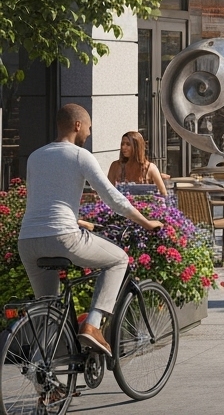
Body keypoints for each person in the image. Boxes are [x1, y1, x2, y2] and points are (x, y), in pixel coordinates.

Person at [20, 105, 165, 356]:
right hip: (63, 236)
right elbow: (112, 197)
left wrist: (77, 220)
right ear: (77, 125)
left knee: (49, 311)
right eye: (88, 127)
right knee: (119, 259)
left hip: (28, 240)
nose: (89, 132)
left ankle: (44, 383)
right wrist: (147, 222)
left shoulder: (35, 156)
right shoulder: (79, 155)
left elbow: (40, 201)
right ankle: (93, 325)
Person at [107, 131, 168, 195]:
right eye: (122, 144)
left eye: (128, 144)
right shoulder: (115, 166)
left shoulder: (150, 168)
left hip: (144, 204)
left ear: (137, 147)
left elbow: (163, 193)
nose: (123, 147)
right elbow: (107, 190)